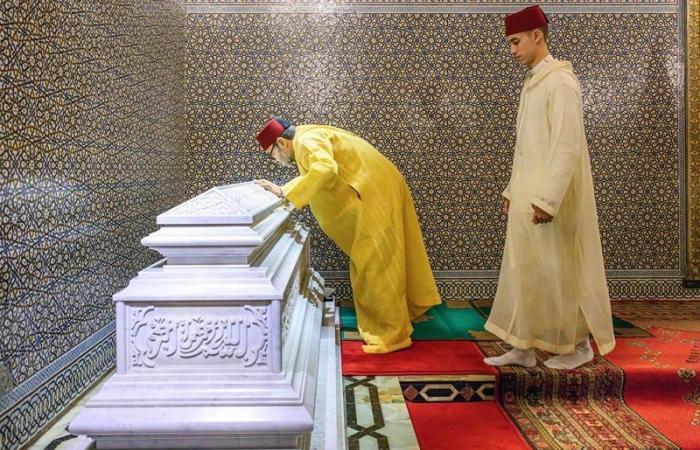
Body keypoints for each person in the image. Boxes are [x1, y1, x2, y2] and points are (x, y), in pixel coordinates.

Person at [483, 5, 615, 370]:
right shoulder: (534, 81)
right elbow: (527, 147)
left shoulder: (560, 82)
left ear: (537, 36)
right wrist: (514, 191)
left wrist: (547, 200)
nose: (511, 50)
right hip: (528, 196)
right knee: (525, 269)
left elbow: (567, 146)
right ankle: (523, 347)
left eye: (515, 41)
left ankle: (579, 345)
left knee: (560, 271)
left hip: (550, 201)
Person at [254, 117, 441, 353]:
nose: (276, 161)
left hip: (372, 194)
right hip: (377, 189)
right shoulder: (309, 134)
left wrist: (284, 190)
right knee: (386, 257)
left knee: (374, 264)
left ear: (281, 142)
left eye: (272, 155)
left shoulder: (306, 140)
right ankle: (403, 313)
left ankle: (390, 336)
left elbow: (324, 168)